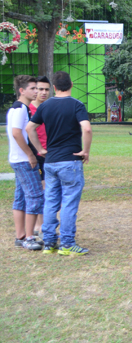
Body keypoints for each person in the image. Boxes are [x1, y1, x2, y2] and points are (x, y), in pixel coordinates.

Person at [27, 71, 92, 256]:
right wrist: (85, 151)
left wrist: (40, 149)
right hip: (70, 161)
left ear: (54, 87)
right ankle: (67, 243)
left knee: (50, 201)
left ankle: (48, 243)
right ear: (71, 84)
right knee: (69, 202)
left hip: (50, 161)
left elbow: (29, 128)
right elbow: (86, 128)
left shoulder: (45, 106)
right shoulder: (77, 105)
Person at [7, 75, 44, 251]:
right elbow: (16, 133)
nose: (36, 91)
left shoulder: (16, 108)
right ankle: (29, 237)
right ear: (22, 91)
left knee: (21, 197)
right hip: (22, 160)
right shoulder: (21, 108)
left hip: (16, 159)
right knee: (35, 196)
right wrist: (30, 155)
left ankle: (20, 235)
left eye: (37, 88)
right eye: (33, 88)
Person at [28, 75, 51, 232]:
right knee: (39, 190)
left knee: (49, 190)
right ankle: (39, 225)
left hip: (51, 154)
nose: (43, 92)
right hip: (36, 155)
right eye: (39, 89)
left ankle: (44, 224)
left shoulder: (50, 107)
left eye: (46, 89)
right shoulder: (28, 109)